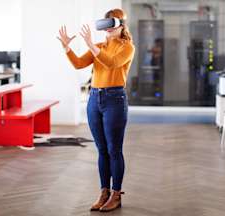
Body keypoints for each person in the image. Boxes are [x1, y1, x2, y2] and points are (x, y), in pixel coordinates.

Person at [57, 8, 135, 212]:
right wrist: (67, 48)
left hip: (114, 100)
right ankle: (104, 192)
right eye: (105, 23)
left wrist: (91, 45)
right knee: (101, 150)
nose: (107, 28)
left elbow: (112, 63)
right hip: (94, 99)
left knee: (114, 150)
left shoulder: (127, 47)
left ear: (121, 25)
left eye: (112, 23)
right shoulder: (99, 46)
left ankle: (116, 194)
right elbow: (78, 64)